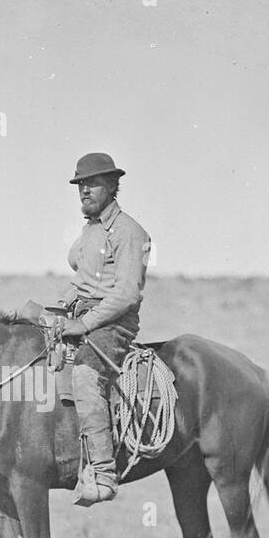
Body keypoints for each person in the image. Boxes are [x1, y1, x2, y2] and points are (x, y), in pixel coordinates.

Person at [54, 152, 152, 505]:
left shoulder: (129, 232)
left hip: (113, 324)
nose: (84, 190)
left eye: (92, 183)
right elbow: (83, 282)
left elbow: (125, 294)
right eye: (80, 184)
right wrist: (63, 308)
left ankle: (103, 473)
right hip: (82, 315)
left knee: (83, 376)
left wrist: (83, 323)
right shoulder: (90, 230)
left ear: (113, 186)